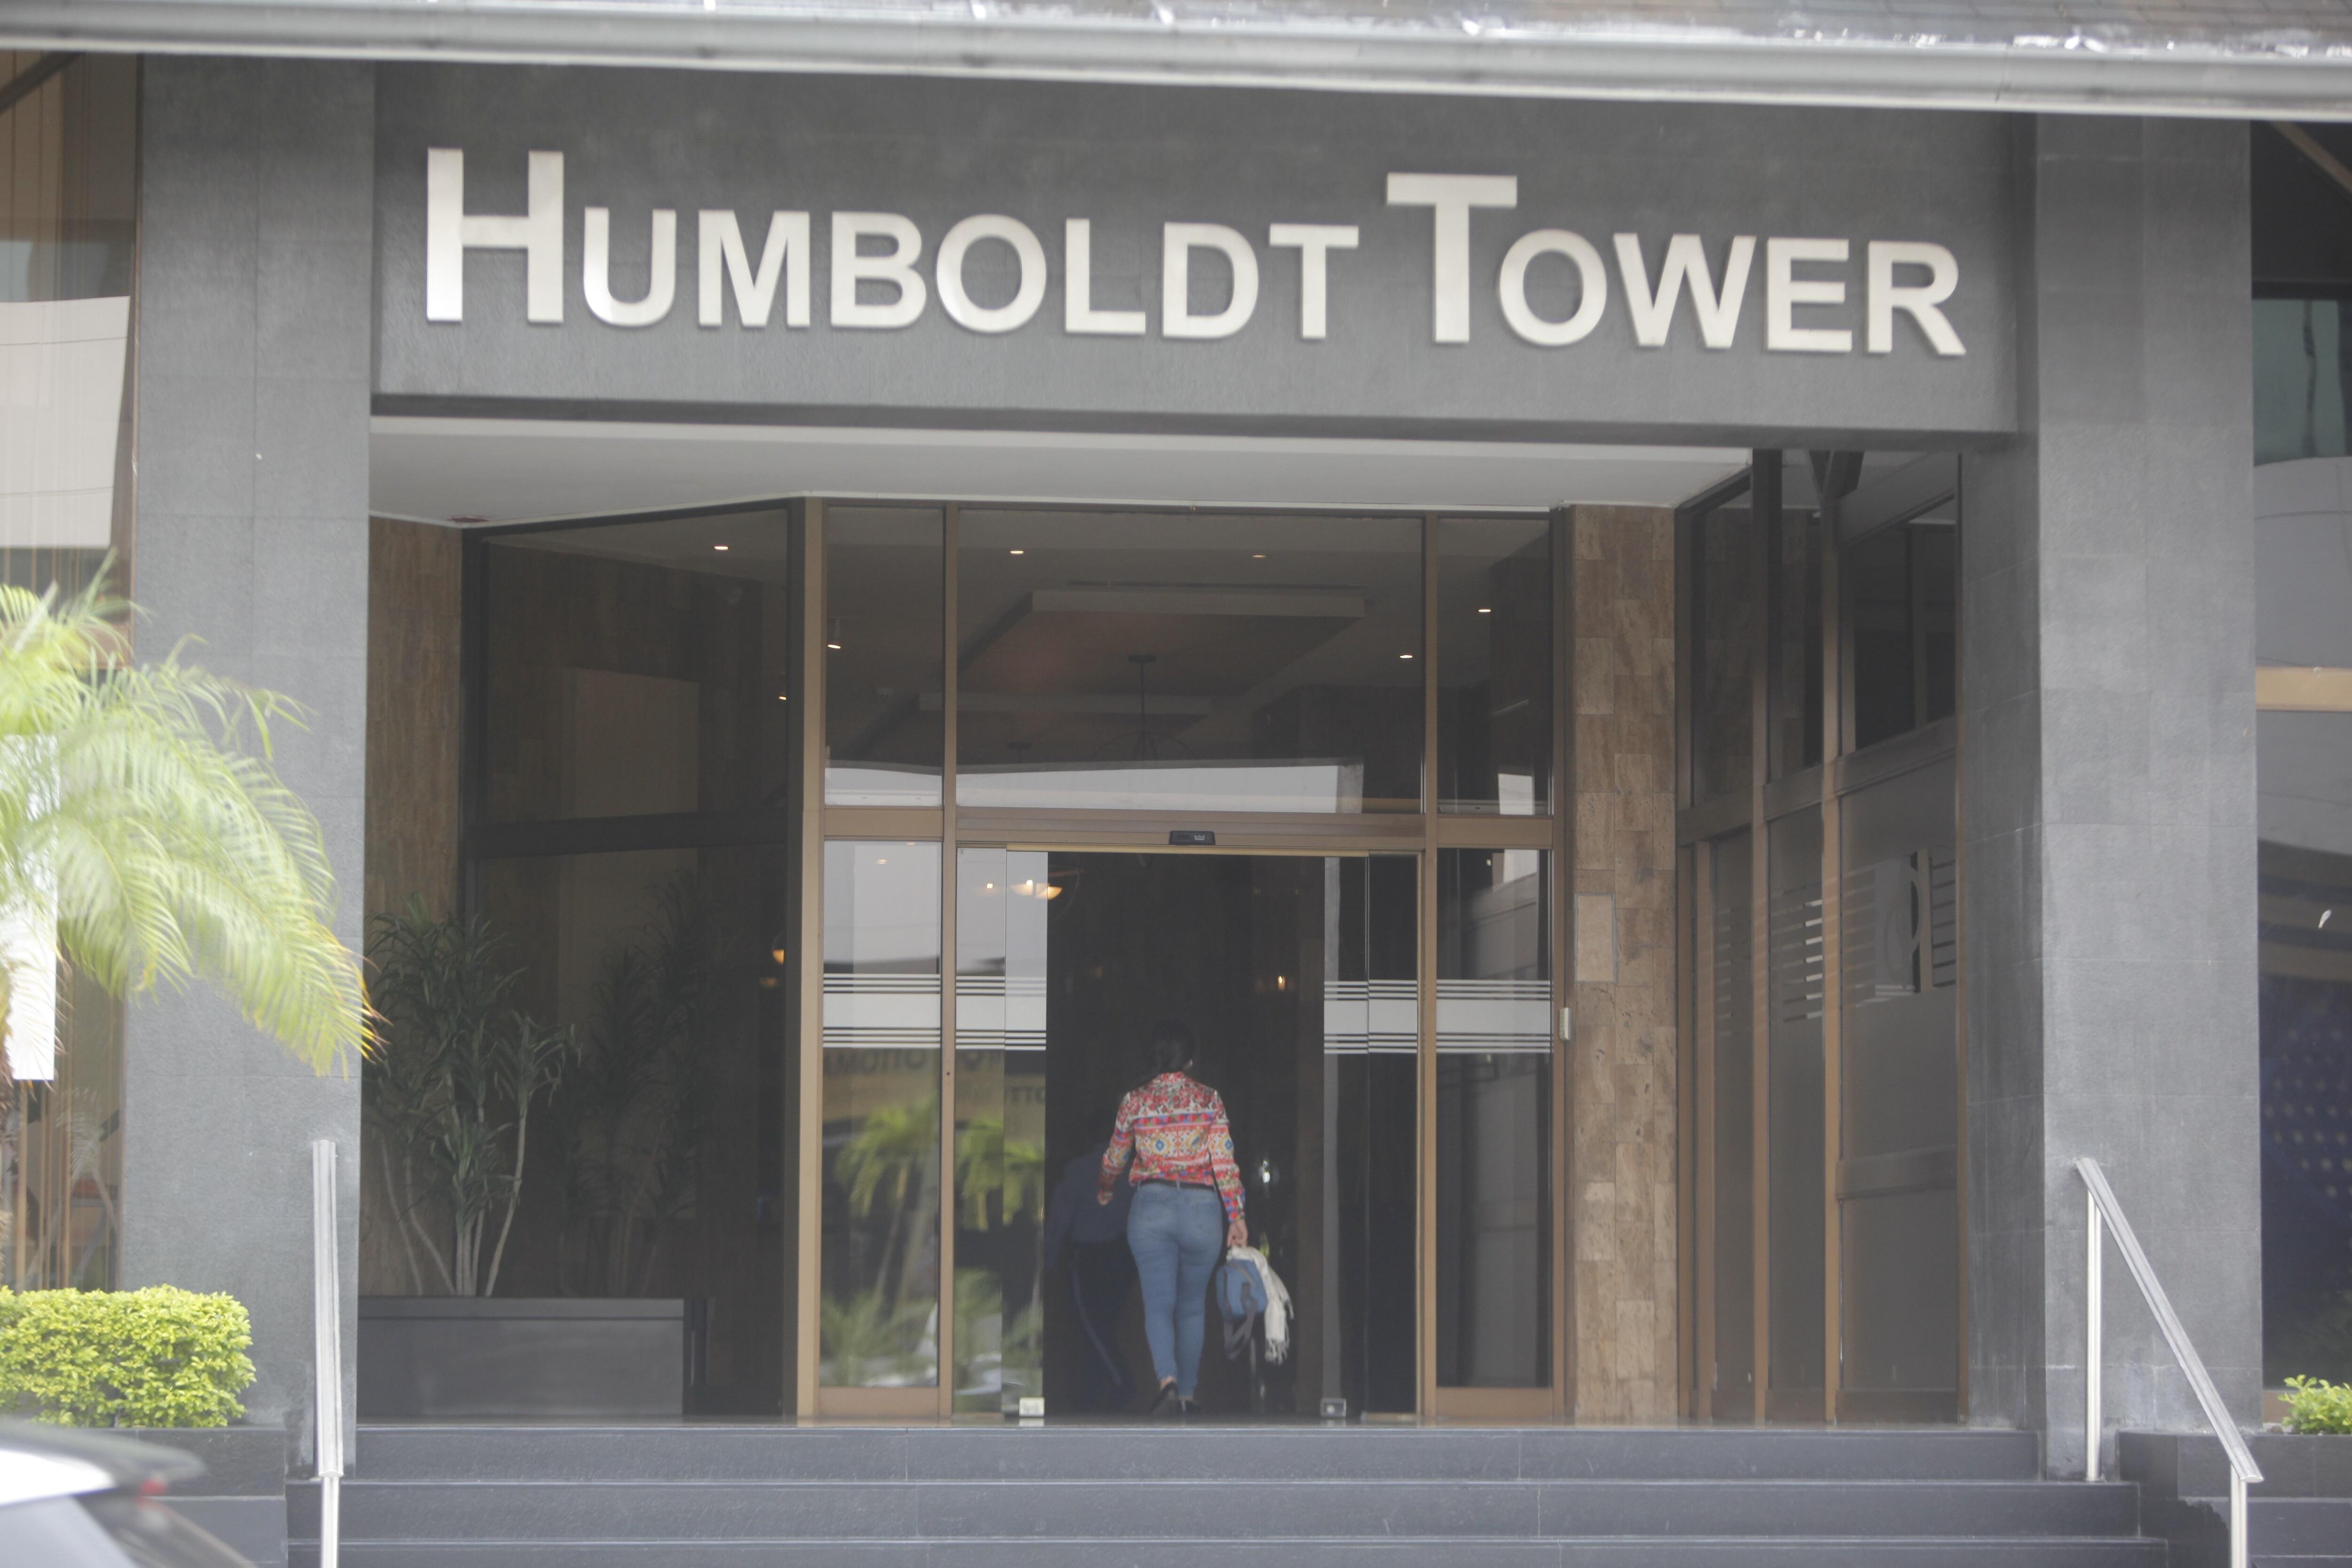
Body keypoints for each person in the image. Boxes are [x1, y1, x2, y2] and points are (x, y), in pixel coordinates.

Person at [1097, 1018, 1246, 1416]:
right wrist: (1237, 1215)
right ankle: (1187, 1395)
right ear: (1190, 1060)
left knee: (1158, 1303)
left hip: (1152, 1208)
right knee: (1193, 1306)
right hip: (1201, 1210)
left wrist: (1106, 1186)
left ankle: (1168, 1381)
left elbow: (1115, 1157)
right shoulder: (1209, 1099)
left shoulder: (1134, 1100)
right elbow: (1225, 1163)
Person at [1042, 1113, 1136, 1413]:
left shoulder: (1080, 1170)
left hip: (1091, 1261)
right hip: (1123, 1257)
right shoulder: (1130, 1172)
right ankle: (1092, 1391)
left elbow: (1060, 1218)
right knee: (1102, 1325)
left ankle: (1122, 1384)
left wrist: (1049, 1257)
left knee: (1095, 1329)